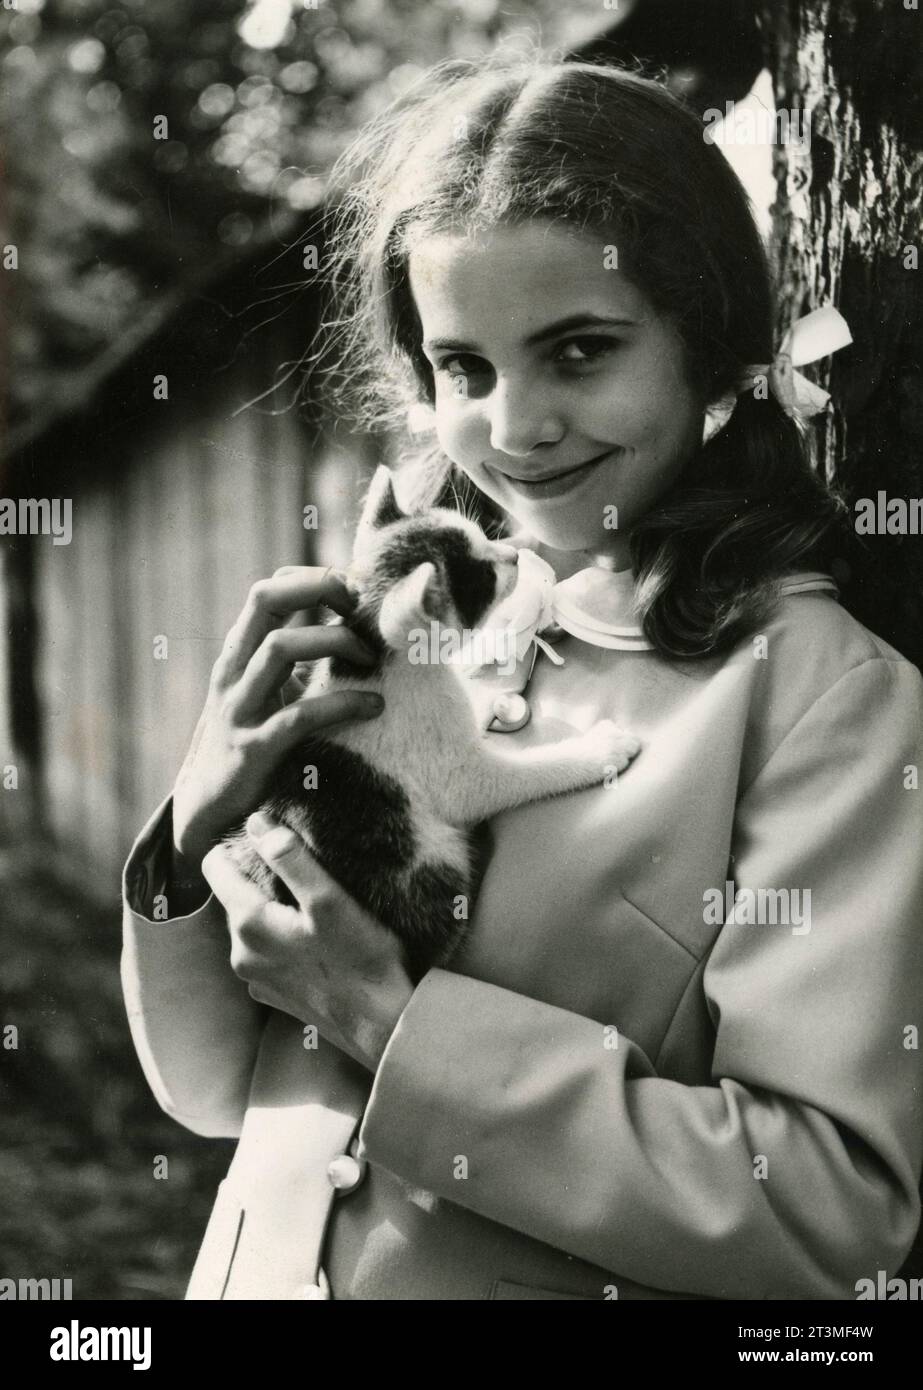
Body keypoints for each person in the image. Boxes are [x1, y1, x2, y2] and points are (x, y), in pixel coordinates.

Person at [120, 56, 923, 1301]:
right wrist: (194, 834)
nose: (512, 426)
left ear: (704, 340)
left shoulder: (814, 695)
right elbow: (219, 1091)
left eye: (579, 350)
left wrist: (401, 1031)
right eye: (463, 368)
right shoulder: (401, 620)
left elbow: (825, 1207)